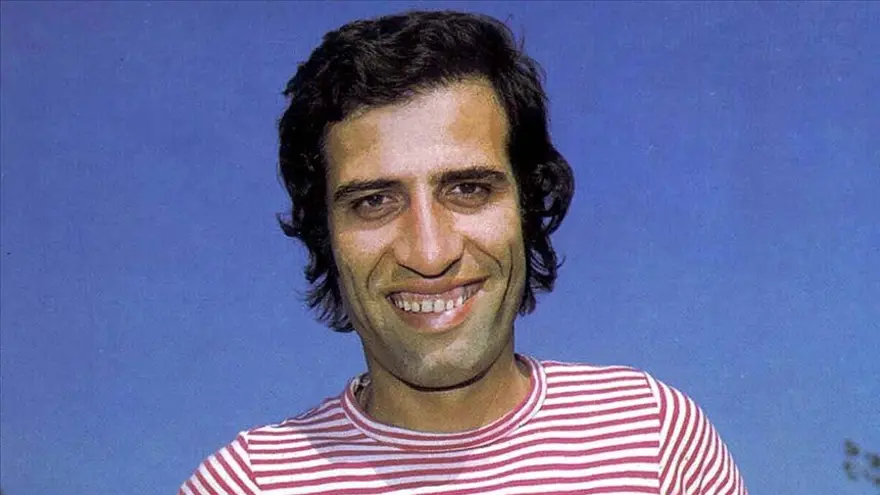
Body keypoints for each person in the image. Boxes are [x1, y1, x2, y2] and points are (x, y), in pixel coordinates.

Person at [180, 10, 748, 495]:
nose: (429, 253)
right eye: (375, 201)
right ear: (324, 234)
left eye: (468, 190)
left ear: (529, 205)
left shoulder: (653, 440)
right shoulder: (248, 483)